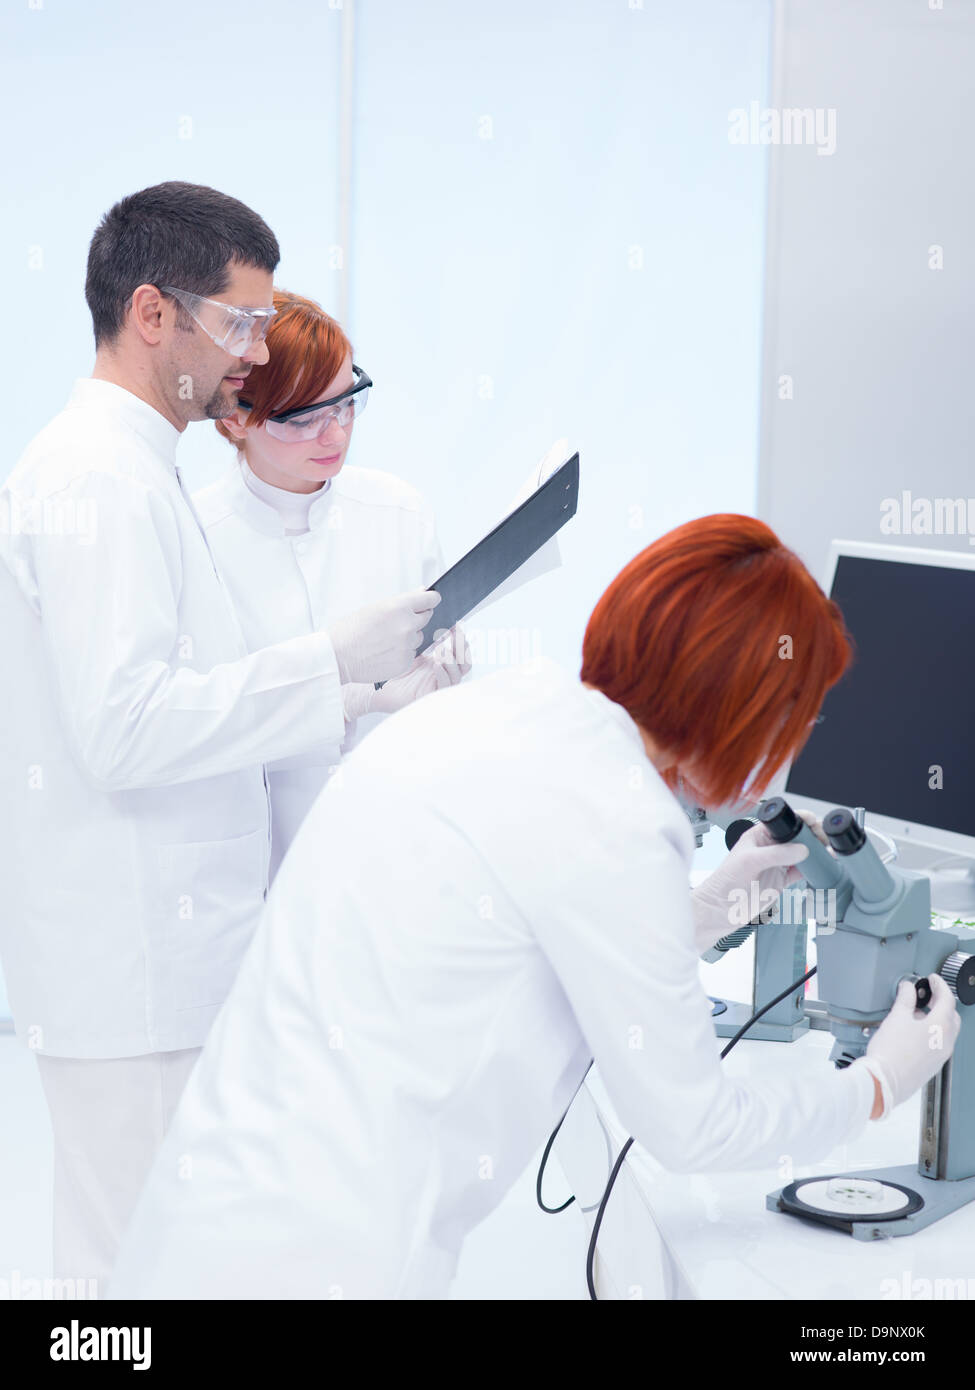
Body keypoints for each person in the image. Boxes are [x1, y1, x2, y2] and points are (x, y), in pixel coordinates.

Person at [109, 514, 960, 1300]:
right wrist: (878, 1082)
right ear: (740, 709)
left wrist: (701, 909)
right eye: (794, 719)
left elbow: (530, 922)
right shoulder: (618, 817)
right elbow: (694, 1128)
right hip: (325, 1261)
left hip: (201, 1225)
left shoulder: (508, 711)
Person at [0, 182, 441, 1291]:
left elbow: (169, 694)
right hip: (136, 963)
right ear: (153, 313)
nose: (253, 354)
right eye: (240, 323)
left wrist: (348, 694)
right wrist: (328, 667)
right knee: (125, 1277)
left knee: (160, 1264)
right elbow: (125, 728)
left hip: (164, 958)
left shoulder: (131, 467)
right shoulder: (100, 479)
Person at [193, 290, 470, 878]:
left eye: (346, 403)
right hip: (261, 868)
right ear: (235, 416)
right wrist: (342, 703)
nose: (336, 435)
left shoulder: (398, 511)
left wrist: (443, 675)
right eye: (304, 418)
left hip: (398, 850)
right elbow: (199, 733)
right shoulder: (196, 541)